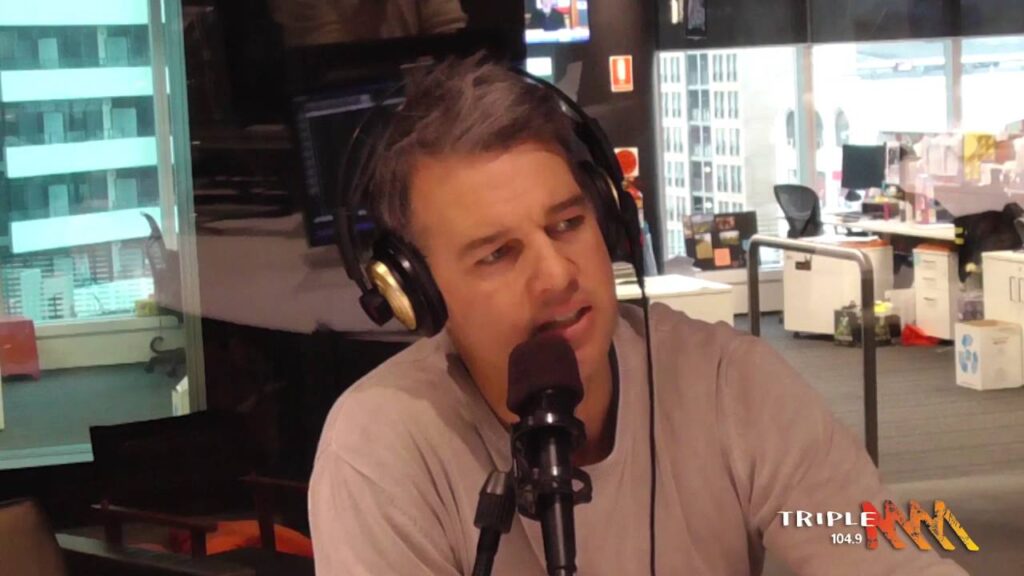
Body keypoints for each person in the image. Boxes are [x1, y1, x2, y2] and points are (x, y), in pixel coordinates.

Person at [309, 56, 968, 575]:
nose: (557, 275)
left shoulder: (730, 384)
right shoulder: (381, 447)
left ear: (608, 217)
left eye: (567, 224)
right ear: (418, 294)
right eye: (498, 254)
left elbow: (883, 553)